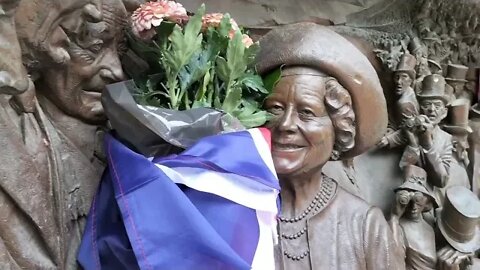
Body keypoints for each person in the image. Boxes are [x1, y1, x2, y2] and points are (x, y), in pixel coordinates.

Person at [256, 23, 405, 270]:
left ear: (338, 128)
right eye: (275, 108)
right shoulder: (235, 207)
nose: (285, 125)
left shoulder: (364, 226)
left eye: (307, 112)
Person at [0, 0, 126, 268]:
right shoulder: (13, 132)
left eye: (121, 53)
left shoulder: (133, 152)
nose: (116, 70)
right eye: (94, 47)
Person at [400, 74, 453, 197]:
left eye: (437, 106)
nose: (431, 109)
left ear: (444, 113)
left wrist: (428, 144)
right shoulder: (411, 129)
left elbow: (442, 180)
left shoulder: (445, 139)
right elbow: (402, 168)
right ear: (419, 109)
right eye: (427, 104)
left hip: (430, 200)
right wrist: (413, 143)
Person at [390, 165, 438, 270]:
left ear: (427, 201)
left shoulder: (430, 228)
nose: (413, 206)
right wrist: (394, 217)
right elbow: (393, 257)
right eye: (408, 201)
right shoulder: (398, 226)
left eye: (418, 200)